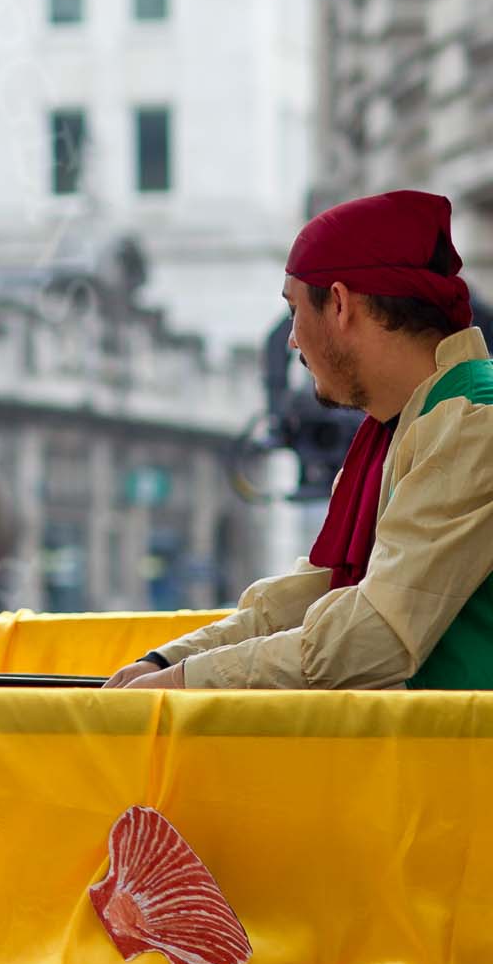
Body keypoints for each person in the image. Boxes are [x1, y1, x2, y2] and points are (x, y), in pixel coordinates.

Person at [108, 190, 493, 690]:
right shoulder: (400, 427)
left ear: (338, 303)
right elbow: (312, 594)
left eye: (293, 309)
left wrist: (186, 682)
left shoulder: (472, 421)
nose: (291, 339)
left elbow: (377, 633)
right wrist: (164, 663)